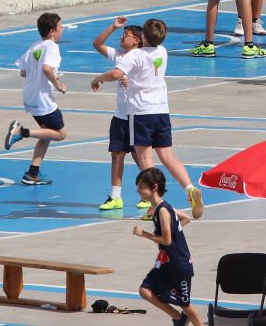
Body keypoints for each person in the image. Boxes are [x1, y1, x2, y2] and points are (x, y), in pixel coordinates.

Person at [92, 18, 204, 220]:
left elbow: (116, 73)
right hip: (162, 111)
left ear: (142, 37)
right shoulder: (162, 52)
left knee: (146, 160)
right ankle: (189, 188)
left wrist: (98, 78)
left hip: (141, 113)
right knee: (168, 157)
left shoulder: (135, 55)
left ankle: (155, 204)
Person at [91, 17, 148, 211]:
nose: (122, 37)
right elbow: (97, 43)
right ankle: (115, 197)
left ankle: (149, 194)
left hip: (138, 116)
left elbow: (151, 83)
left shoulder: (142, 58)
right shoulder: (119, 56)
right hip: (121, 117)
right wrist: (113, 27)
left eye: (126, 35)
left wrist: (132, 83)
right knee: (117, 154)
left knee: (140, 157)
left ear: (137, 41)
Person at [134, 168, 203, 326]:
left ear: (155, 187)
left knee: (184, 303)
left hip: (178, 263)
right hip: (165, 262)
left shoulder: (163, 210)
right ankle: (178, 318)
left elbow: (167, 240)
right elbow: (185, 218)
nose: (138, 191)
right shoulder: (160, 208)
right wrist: (174, 229)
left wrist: (144, 233)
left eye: (142, 187)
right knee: (145, 290)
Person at [4, 12, 67, 185]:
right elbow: (47, 68)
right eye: (61, 27)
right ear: (53, 31)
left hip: (29, 95)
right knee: (61, 134)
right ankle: (21, 132)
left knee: (46, 134)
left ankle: (32, 173)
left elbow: (23, 71)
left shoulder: (35, 46)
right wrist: (58, 84)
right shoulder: (51, 46)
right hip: (42, 99)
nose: (62, 31)